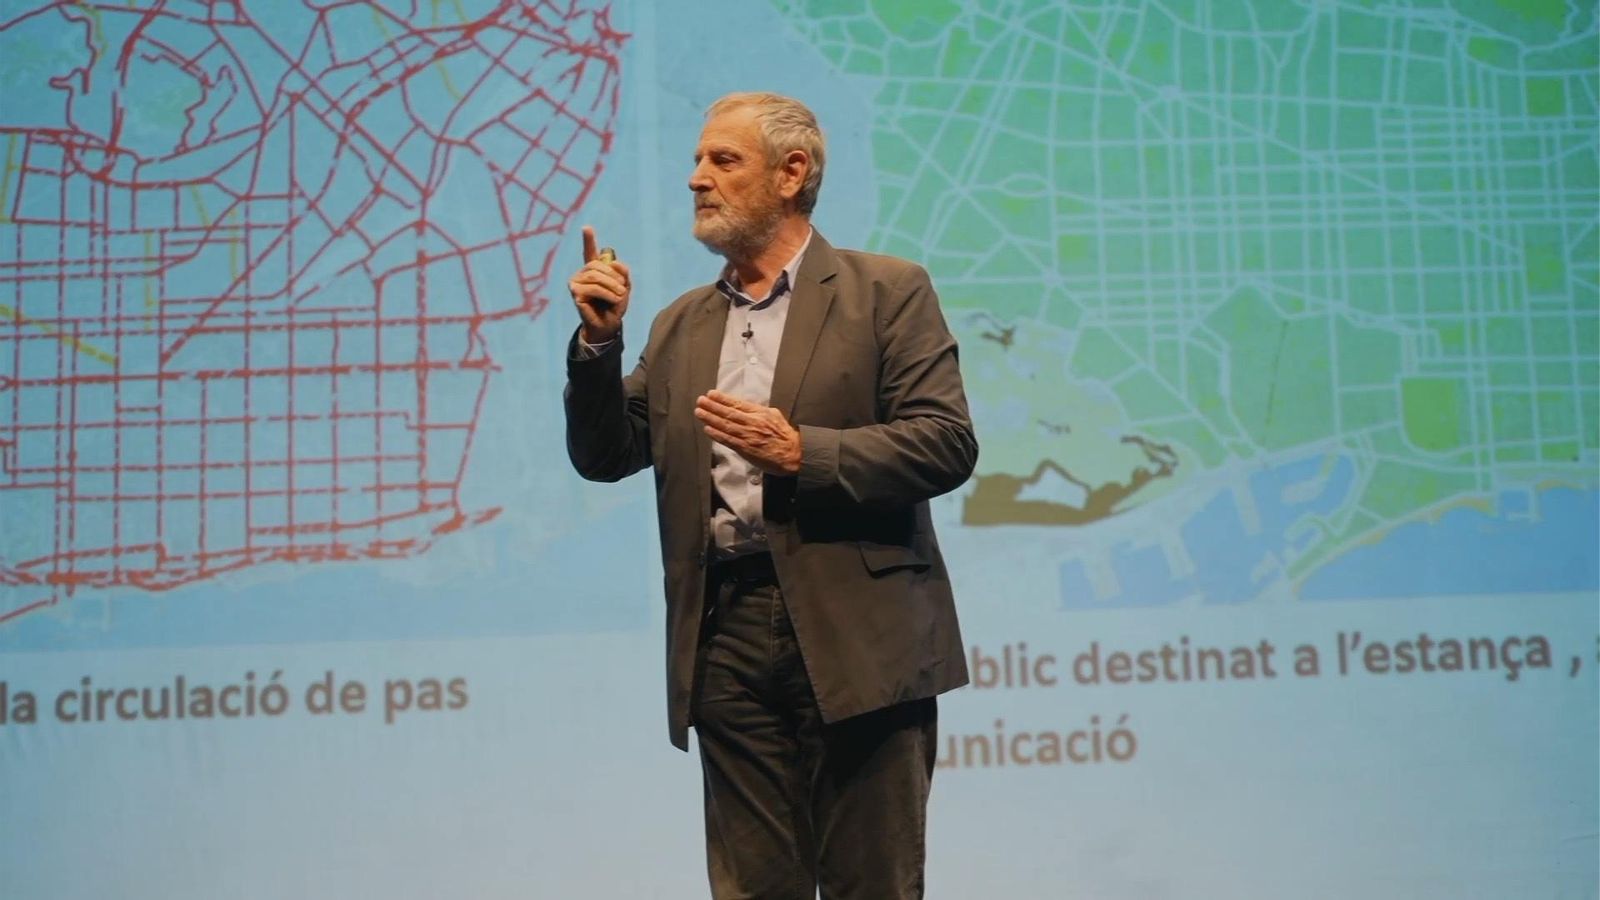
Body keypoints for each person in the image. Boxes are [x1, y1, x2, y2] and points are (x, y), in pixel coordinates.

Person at [563, 91, 976, 899]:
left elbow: (946, 442)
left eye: (722, 160)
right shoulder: (683, 325)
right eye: (695, 161)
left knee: (873, 885)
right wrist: (599, 344)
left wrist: (802, 451)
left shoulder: (885, 292)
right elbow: (608, 454)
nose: (695, 179)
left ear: (792, 173)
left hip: (857, 634)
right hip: (727, 636)